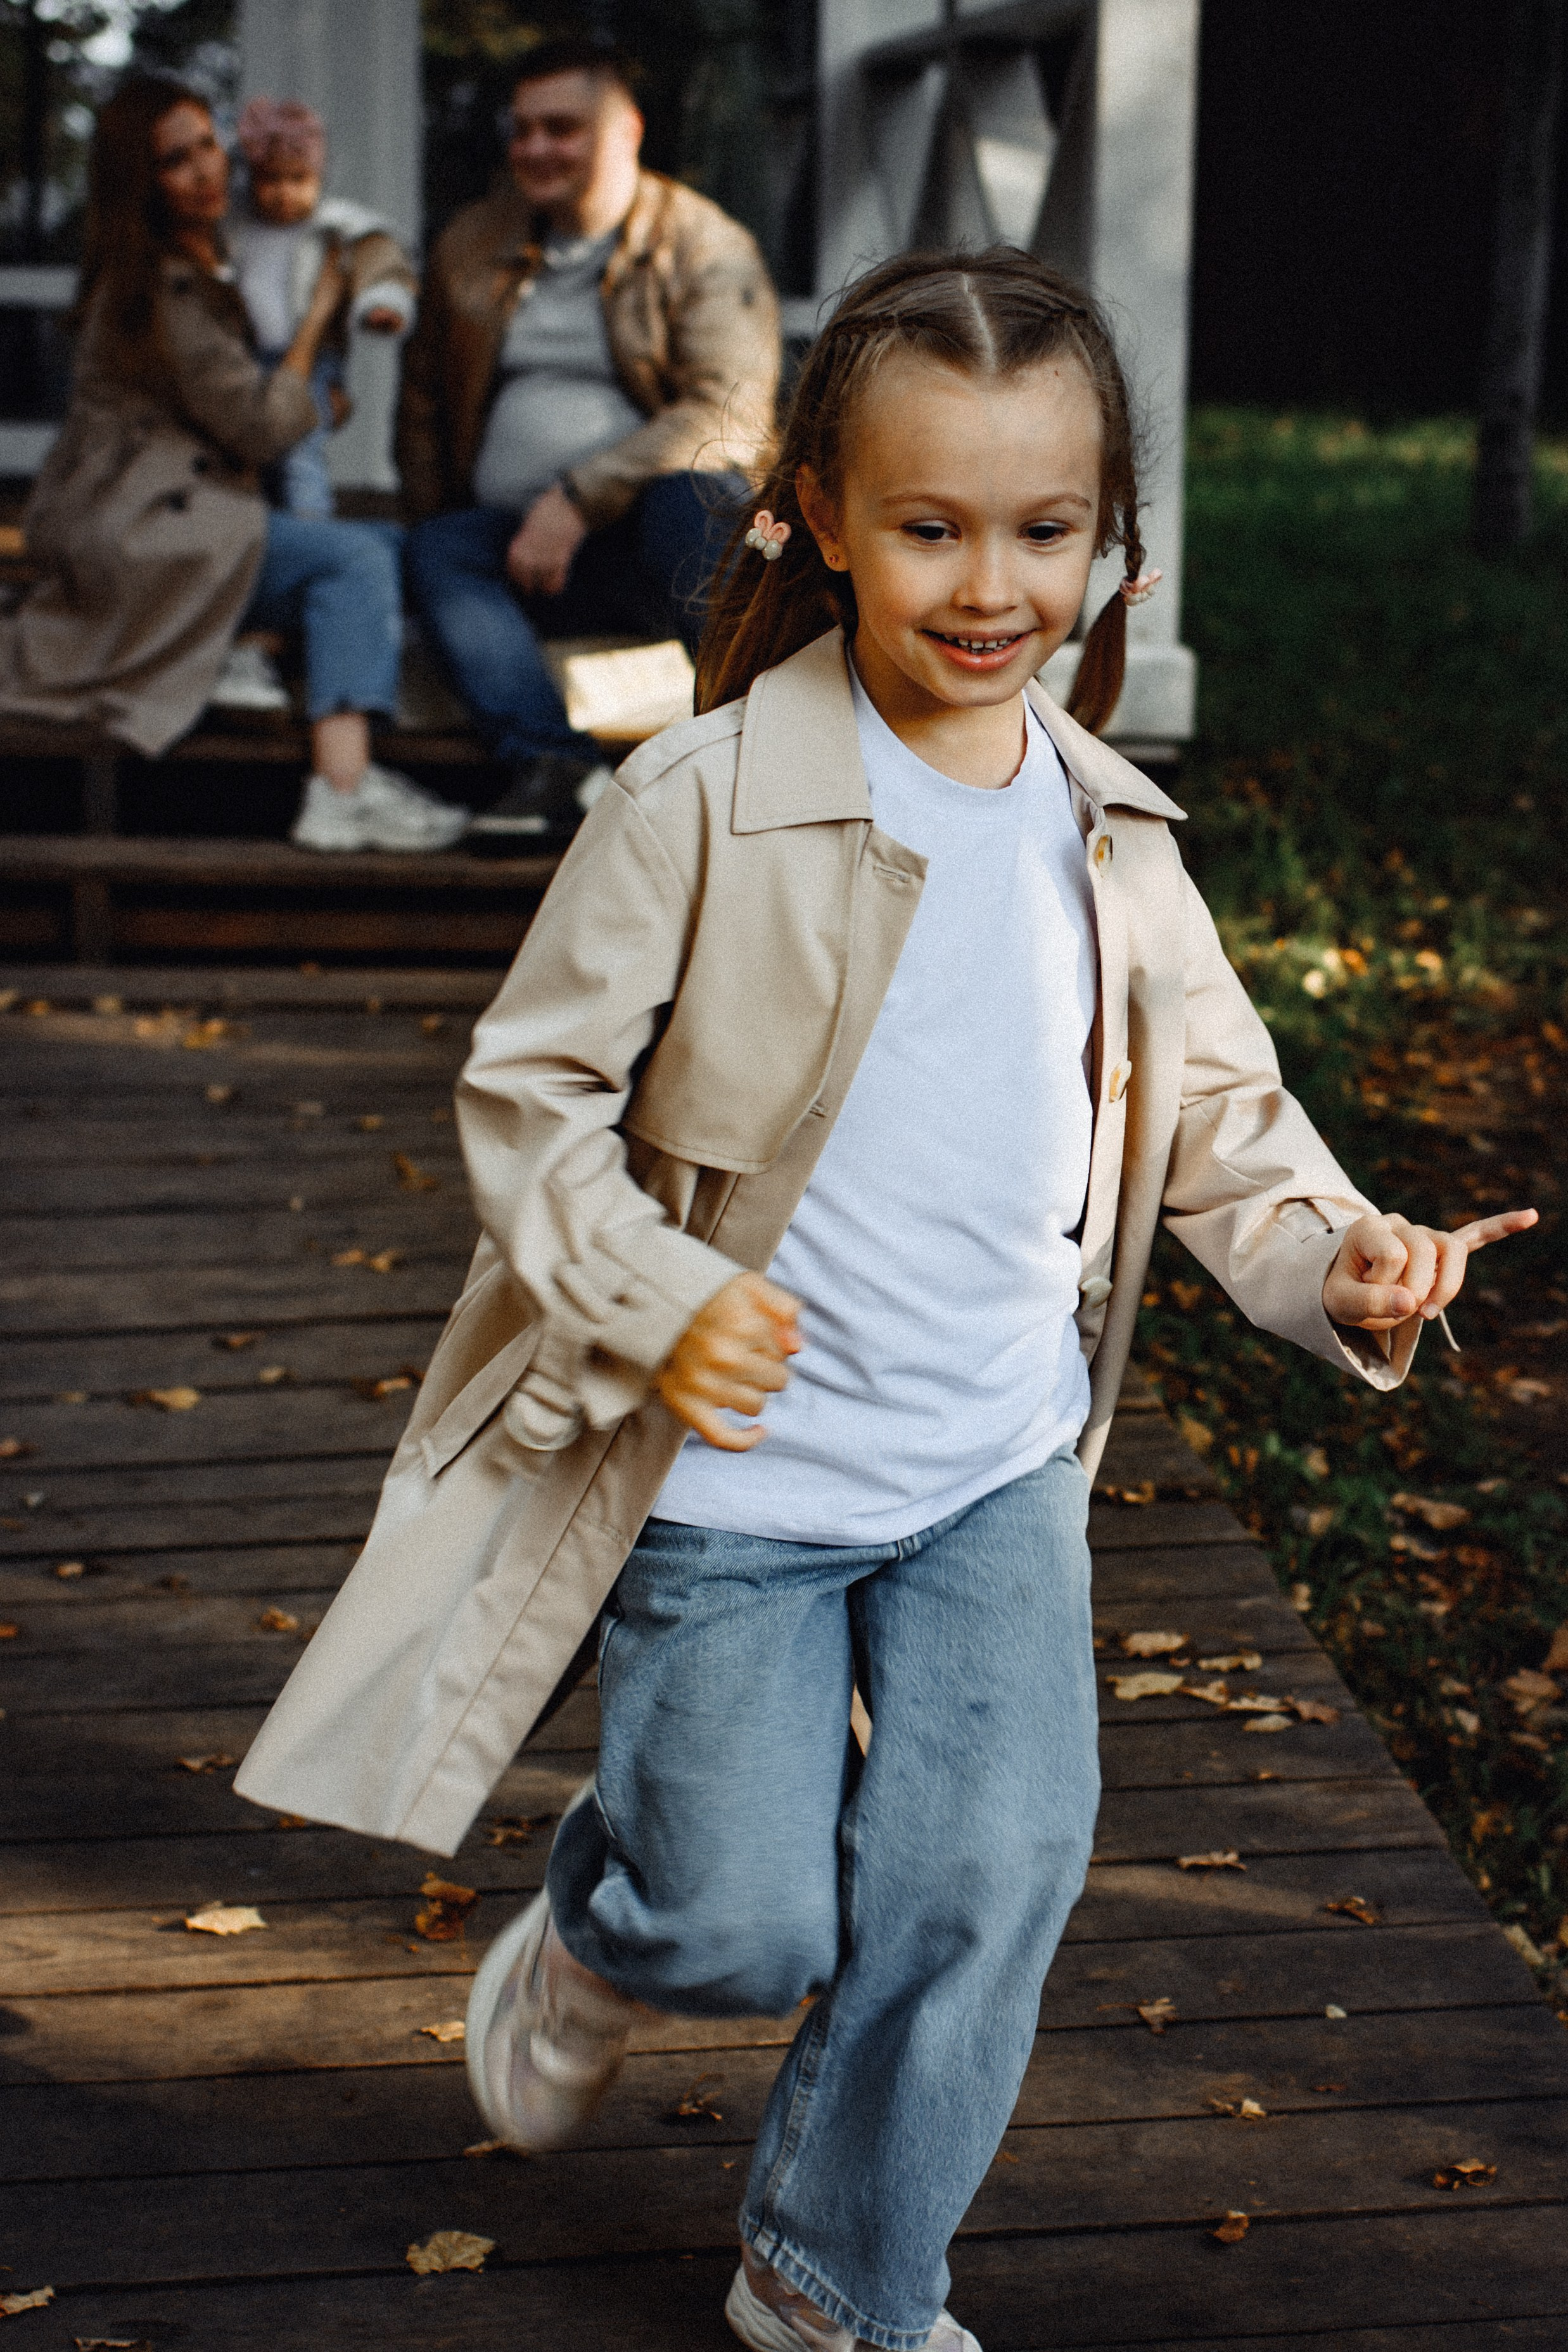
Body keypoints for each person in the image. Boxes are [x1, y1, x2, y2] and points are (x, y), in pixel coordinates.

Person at [236, 249, 1538, 2349]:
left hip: (990, 1472)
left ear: (1111, 543)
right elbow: (528, 1093)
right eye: (927, 526)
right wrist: (653, 1288)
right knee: (743, 1921)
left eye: (1043, 531)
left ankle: (833, 2274)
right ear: (819, 516)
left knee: (982, 1879)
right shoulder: (700, 800)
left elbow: (1220, 1118)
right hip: (735, 1482)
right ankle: (602, 1926)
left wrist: (1341, 1254)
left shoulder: (1112, 837)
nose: (988, 583)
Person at [0, 74, 465, 855]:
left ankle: (243, 656)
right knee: (352, 559)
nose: (207, 171)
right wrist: (319, 319)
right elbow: (258, 426)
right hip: (143, 532)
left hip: (169, 515)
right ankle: (343, 787)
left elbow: (256, 393)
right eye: (176, 162)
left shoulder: (203, 254)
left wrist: (314, 387)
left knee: (387, 553)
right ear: (140, 183)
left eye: (209, 146)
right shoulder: (156, 286)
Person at [398, 33, 779, 848]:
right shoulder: (473, 243)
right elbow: (425, 400)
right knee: (437, 547)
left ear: (626, 131)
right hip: (522, 555)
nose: (535, 148)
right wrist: (451, 512)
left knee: (694, 492)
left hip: (652, 546)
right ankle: (551, 765)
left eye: (561, 127)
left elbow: (730, 413)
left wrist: (577, 497)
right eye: (523, 128)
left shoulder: (703, 243)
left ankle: (764, 743)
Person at [230, 96, 417, 522]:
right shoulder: (238, 228)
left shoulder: (335, 227)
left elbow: (382, 264)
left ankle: (311, 521)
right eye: (270, 180)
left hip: (313, 360)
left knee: (300, 445)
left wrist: (382, 304)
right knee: (249, 448)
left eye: (299, 179)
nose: (284, 193)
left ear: (320, 176)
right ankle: (255, 527)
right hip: (246, 358)